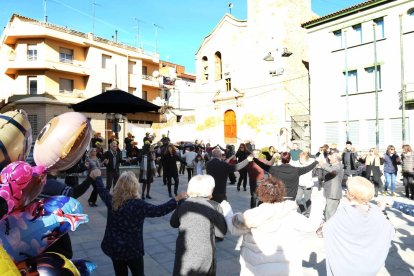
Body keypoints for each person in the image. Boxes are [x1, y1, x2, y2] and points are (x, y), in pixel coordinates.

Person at [90, 169, 186, 276]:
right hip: (132, 250)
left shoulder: (112, 200)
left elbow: (101, 189)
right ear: (135, 186)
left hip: (115, 248)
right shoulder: (138, 205)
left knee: (120, 273)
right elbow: (158, 210)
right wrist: (176, 199)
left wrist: (98, 177)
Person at [221, 177, 325, 276]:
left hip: (256, 270)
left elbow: (233, 229)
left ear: (261, 193)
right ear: (281, 193)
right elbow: (311, 225)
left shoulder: (251, 215)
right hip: (285, 269)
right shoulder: (289, 213)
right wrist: (318, 204)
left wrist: (226, 209)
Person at [322, 177, 394, 276]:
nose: (346, 191)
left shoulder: (344, 213)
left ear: (351, 195)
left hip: (346, 268)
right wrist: (382, 210)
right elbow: (390, 230)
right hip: (369, 267)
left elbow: (322, 232)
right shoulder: (375, 211)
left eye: (347, 189)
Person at [170, 175, 227, 276]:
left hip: (183, 251)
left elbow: (173, 223)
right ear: (208, 189)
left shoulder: (184, 203)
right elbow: (221, 233)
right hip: (204, 255)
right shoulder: (214, 206)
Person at [41, 169, 95, 259]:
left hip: (34, 226)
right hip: (52, 226)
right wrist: (90, 178)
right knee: (66, 253)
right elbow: (73, 193)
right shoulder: (51, 183)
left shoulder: (35, 180)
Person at [253, 152, 318, 200]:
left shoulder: (275, 169)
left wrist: (254, 159)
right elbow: (308, 168)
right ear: (290, 159)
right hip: (291, 197)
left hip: (279, 196)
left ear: (281, 159)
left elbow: (264, 166)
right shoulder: (296, 170)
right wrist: (316, 162)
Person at [318, 151, 344, 221]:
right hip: (330, 193)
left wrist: (322, 165)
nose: (329, 158)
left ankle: (329, 230)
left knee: (330, 215)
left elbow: (333, 171)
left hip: (333, 194)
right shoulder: (334, 165)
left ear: (336, 159)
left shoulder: (337, 166)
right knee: (327, 213)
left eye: (331, 157)